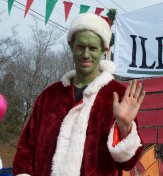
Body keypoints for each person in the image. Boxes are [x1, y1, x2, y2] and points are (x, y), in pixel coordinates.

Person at [13, 13, 145, 176]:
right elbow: (26, 149)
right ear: (71, 45)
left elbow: (128, 163)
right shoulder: (49, 95)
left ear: (104, 50)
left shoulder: (117, 95)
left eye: (93, 48)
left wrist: (124, 126)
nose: (86, 54)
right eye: (81, 47)